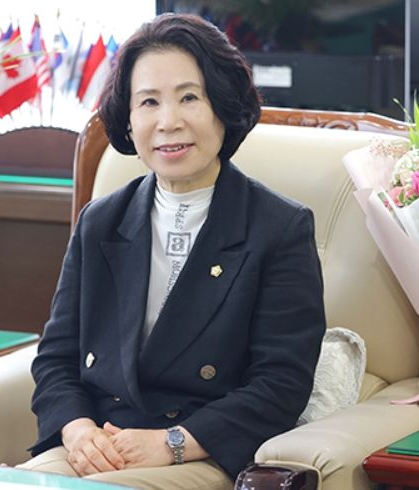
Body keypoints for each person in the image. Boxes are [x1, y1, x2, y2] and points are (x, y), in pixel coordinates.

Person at [18, 12, 326, 490]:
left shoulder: (279, 227)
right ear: (128, 118)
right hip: (98, 445)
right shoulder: (101, 221)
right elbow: (56, 358)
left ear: (223, 106)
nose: (168, 122)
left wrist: (171, 443)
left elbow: (280, 384)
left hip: (202, 451)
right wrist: (79, 433)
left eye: (189, 97)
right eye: (148, 102)